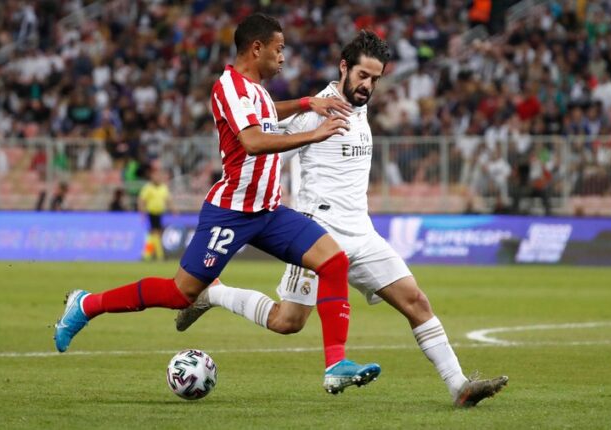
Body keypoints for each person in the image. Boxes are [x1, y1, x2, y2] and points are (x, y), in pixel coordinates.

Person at [175, 31, 508, 408]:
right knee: (289, 322)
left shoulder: (362, 108)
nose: (368, 86)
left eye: (376, 79)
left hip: (362, 233)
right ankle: (211, 293)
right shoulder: (313, 111)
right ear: (344, 67)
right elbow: (261, 147)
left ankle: (460, 386)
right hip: (318, 233)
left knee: (416, 301)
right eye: (363, 76)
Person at [54, 13, 381, 395]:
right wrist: (314, 133)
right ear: (255, 48)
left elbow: (268, 113)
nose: (283, 58)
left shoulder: (256, 89)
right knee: (180, 293)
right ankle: (87, 304)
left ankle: (335, 365)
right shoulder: (228, 86)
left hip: (269, 211)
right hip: (232, 212)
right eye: (279, 50)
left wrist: (309, 103)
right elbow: (254, 141)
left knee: (334, 261)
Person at [138, 168, 176, 261]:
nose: (157, 178)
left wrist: (173, 209)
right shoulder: (148, 187)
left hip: (160, 213)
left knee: (154, 235)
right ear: (152, 177)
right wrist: (142, 212)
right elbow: (142, 200)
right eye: (156, 176)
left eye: (159, 176)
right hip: (151, 213)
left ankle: (147, 254)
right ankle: (159, 255)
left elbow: (168, 200)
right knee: (156, 233)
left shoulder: (163, 187)